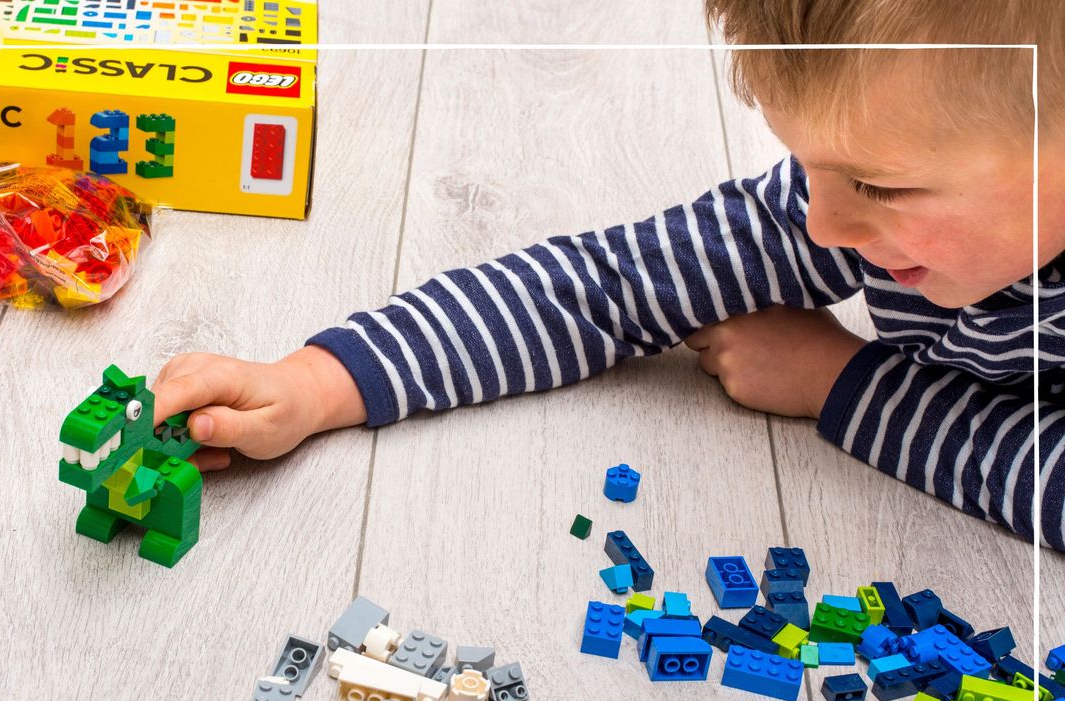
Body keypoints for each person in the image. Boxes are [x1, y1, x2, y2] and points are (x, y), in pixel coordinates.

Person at [152, 0, 1065, 550]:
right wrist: (320, 381)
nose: (822, 223)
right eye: (808, 164)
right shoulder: (860, 200)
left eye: (878, 184)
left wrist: (840, 379)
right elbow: (602, 285)